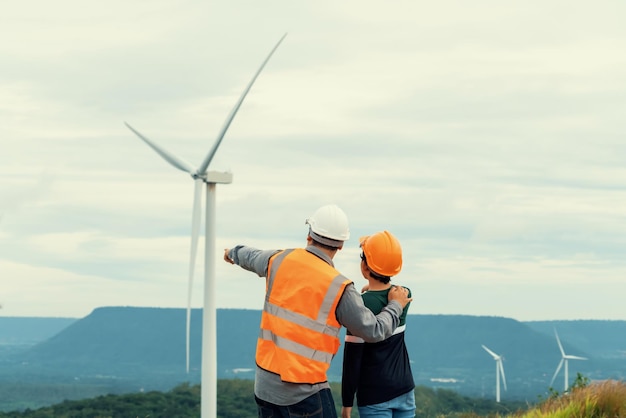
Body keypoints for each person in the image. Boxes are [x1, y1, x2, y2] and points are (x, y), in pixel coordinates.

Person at [223, 204, 412, 418]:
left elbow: (250, 255)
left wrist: (232, 252)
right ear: (340, 245)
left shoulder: (279, 260)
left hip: (265, 387)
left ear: (309, 235)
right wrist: (396, 304)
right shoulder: (340, 287)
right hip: (304, 393)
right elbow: (374, 331)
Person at [341, 231, 416, 418]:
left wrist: (347, 404)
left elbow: (352, 359)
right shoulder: (403, 295)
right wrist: (372, 292)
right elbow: (386, 295)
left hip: (374, 396)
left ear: (365, 267)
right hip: (405, 389)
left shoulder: (360, 306)